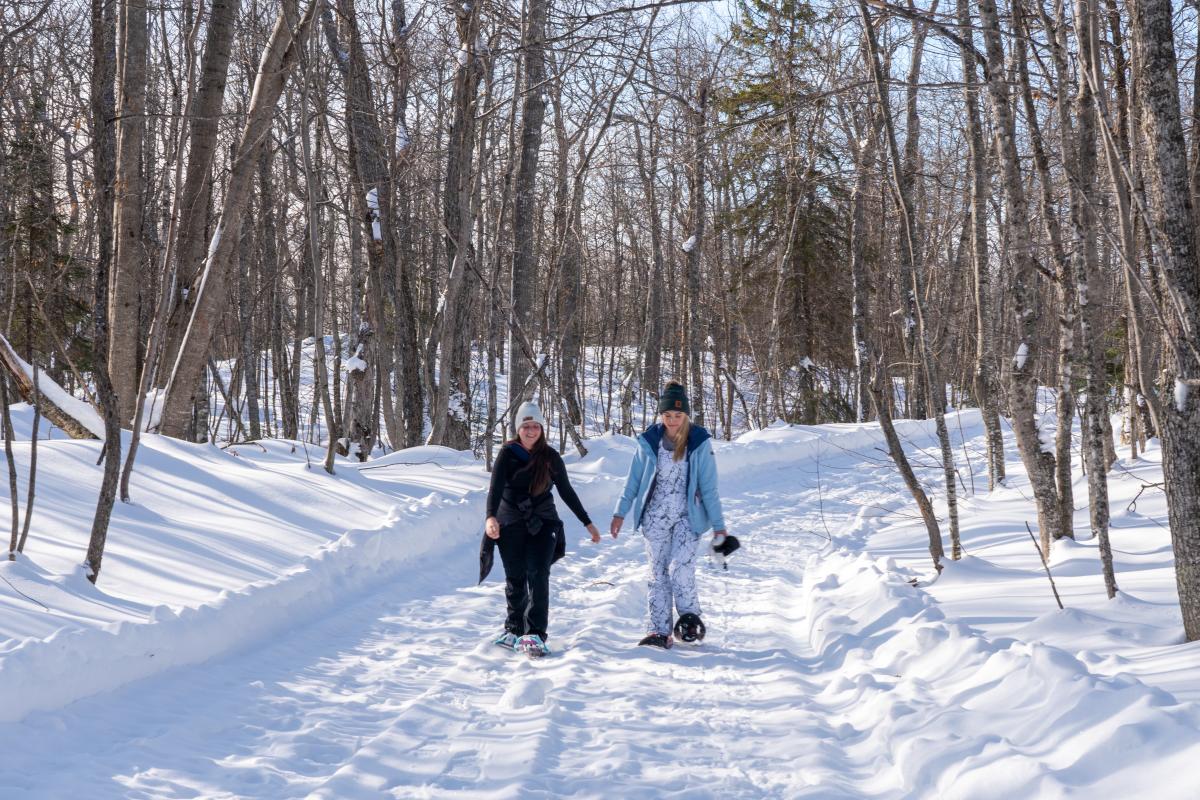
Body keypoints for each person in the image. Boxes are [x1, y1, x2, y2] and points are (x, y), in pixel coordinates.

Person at [610, 381, 728, 648]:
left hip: (688, 517)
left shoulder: (699, 442)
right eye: (667, 416)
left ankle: (689, 619)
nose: (672, 421)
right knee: (658, 572)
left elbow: (709, 489)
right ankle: (658, 630)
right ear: (661, 415)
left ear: (686, 415)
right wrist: (620, 512)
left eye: (677, 415)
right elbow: (633, 482)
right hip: (654, 517)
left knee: (681, 568)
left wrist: (719, 526)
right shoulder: (649, 442)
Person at [485, 401, 600, 657]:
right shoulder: (507, 453)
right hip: (511, 521)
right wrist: (490, 517)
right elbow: (495, 489)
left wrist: (587, 522)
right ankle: (514, 628)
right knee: (515, 576)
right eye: (526, 426)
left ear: (541, 429)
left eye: (535, 426)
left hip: (543, 522)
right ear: (518, 428)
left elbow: (566, 491)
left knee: (537, 573)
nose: (530, 431)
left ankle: (535, 633)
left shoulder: (550, 457)